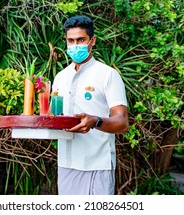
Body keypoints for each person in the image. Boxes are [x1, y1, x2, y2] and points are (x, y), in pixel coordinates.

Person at [52, 15, 129, 195]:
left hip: (96, 164)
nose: (75, 45)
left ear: (92, 41)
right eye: (70, 41)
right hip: (66, 163)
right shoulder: (60, 77)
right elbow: (54, 118)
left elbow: (122, 122)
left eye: (81, 40)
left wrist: (95, 121)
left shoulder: (108, 75)